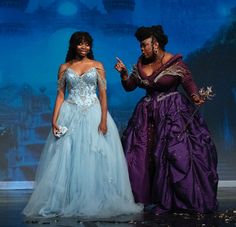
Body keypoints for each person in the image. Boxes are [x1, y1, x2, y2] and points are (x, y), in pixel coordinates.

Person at [23, 31, 142, 218]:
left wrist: (103, 119)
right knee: (68, 158)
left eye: (87, 44)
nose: (84, 47)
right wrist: (54, 120)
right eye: (80, 44)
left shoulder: (98, 66)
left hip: (94, 113)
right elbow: (61, 95)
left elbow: (103, 95)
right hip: (69, 114)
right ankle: (69, 200)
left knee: (94, 157)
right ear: (74, 45)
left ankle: (94, 198)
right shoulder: (64, 67)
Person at [114, 25, 218, 214]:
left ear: (156, 44)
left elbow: (189, 85)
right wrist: (123, 75)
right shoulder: (140, 66)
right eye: (140, 46)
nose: (142, 49)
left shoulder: (176, 64)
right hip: (146, 117)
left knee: (175, 156)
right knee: (141, 156)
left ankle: (175, 199)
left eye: (144, 45)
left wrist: (196, 97)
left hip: (173, 115)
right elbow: (130, 86)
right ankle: (146, 197)